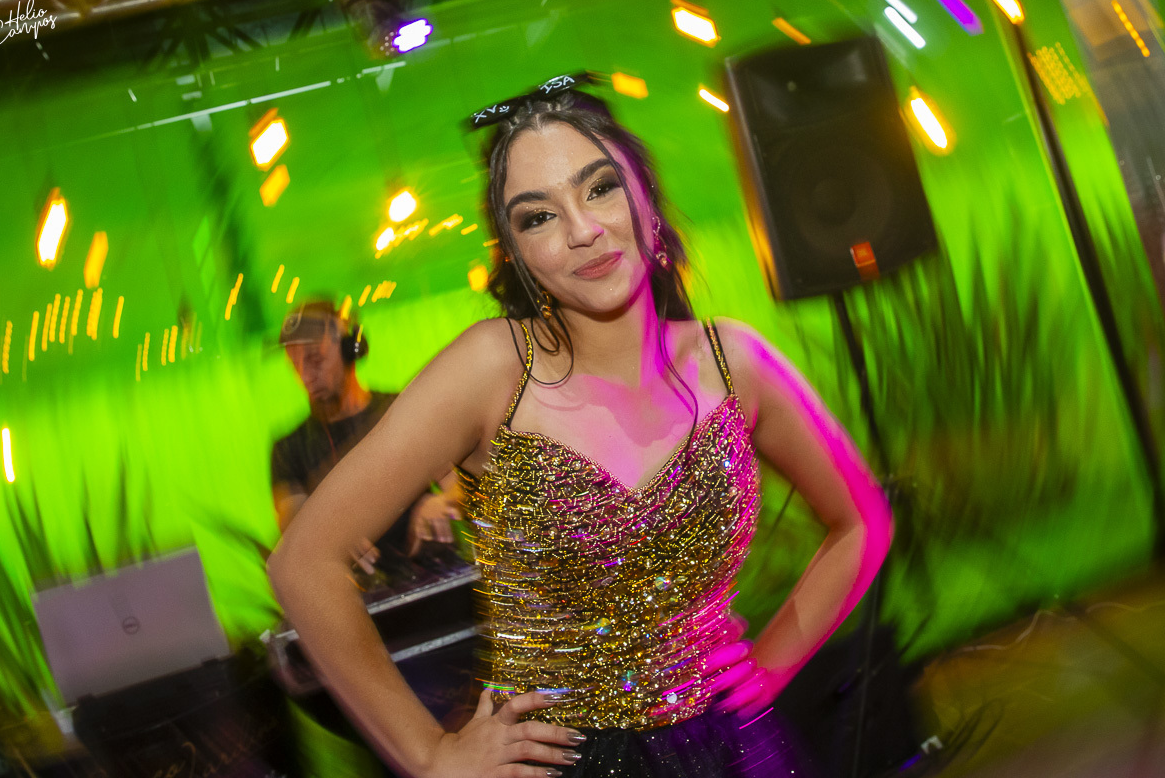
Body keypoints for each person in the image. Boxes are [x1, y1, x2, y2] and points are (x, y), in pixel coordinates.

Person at [268, 77, 892, 778]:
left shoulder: (735, 362)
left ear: (647, 200)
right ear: (515, 254)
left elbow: (861, 521)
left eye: (600, 188)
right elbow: (303, 564)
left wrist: (768, 670)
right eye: (538, 217)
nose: (581, 230)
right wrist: (429, 754)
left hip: (732, 751)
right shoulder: (492, 370)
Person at [271, 299, 460, 561]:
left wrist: (443, 503)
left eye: (315, 359)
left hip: (434, 571)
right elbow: (295, 534)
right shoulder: (288, 449)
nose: (305, 375)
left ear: (350, 349)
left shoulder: (405, 410)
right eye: (295, 364)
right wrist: (330, 546)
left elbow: (460, 484)